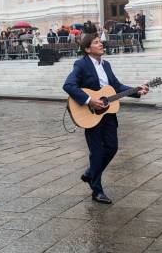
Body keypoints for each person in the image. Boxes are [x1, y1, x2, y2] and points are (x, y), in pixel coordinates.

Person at [63, 33, 149, 204]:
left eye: (100, 41)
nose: (101, 43)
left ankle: (90, 174)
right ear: (88, 49)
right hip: (90, 114)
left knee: (112, 148)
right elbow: (68, 85)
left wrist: (136, 90)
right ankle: (97, 190)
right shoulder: (81, 64)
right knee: (97, 152)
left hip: (108, 115)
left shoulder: (107, 65)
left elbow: (116, 87)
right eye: (96, 42)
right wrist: (90, 100)